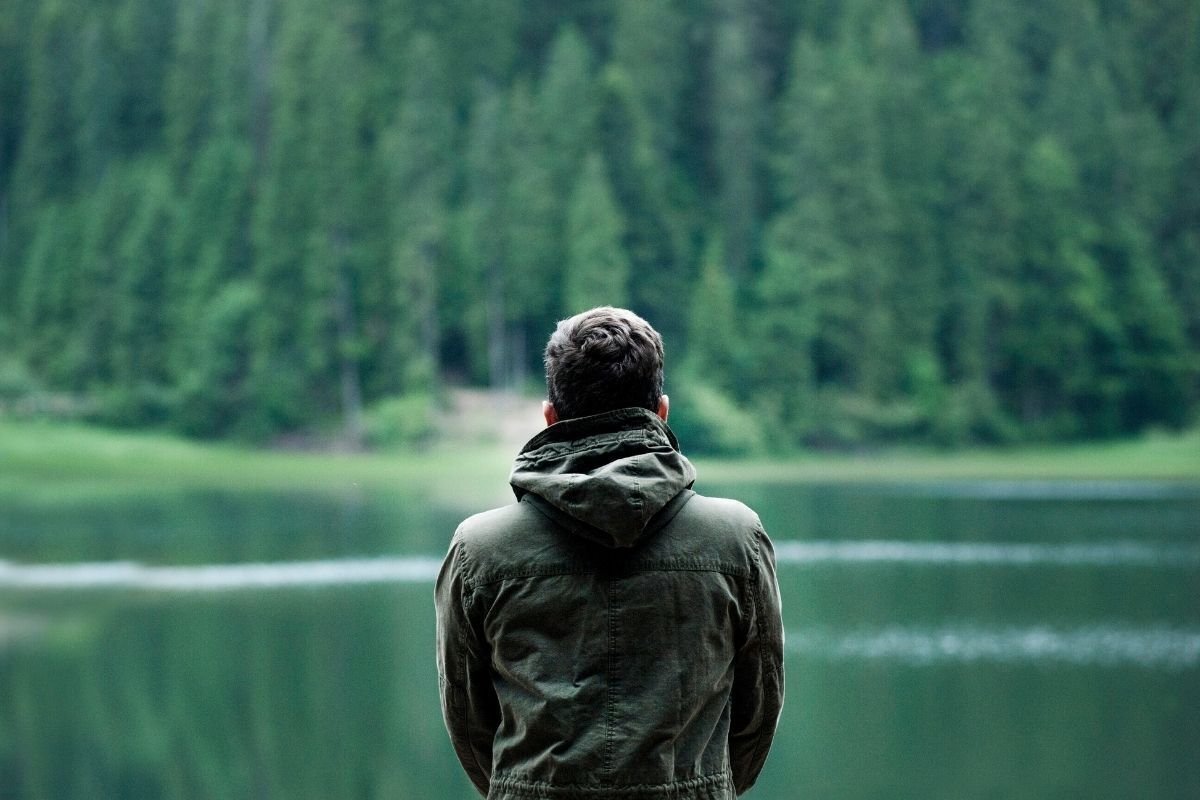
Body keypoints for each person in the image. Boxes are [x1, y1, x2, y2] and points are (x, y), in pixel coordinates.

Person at [435, 306, 784, 800]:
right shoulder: (735, 537)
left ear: (550, 417)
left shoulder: (479, 549)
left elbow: (469, 720)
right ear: (661, 411)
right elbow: (757, 712)